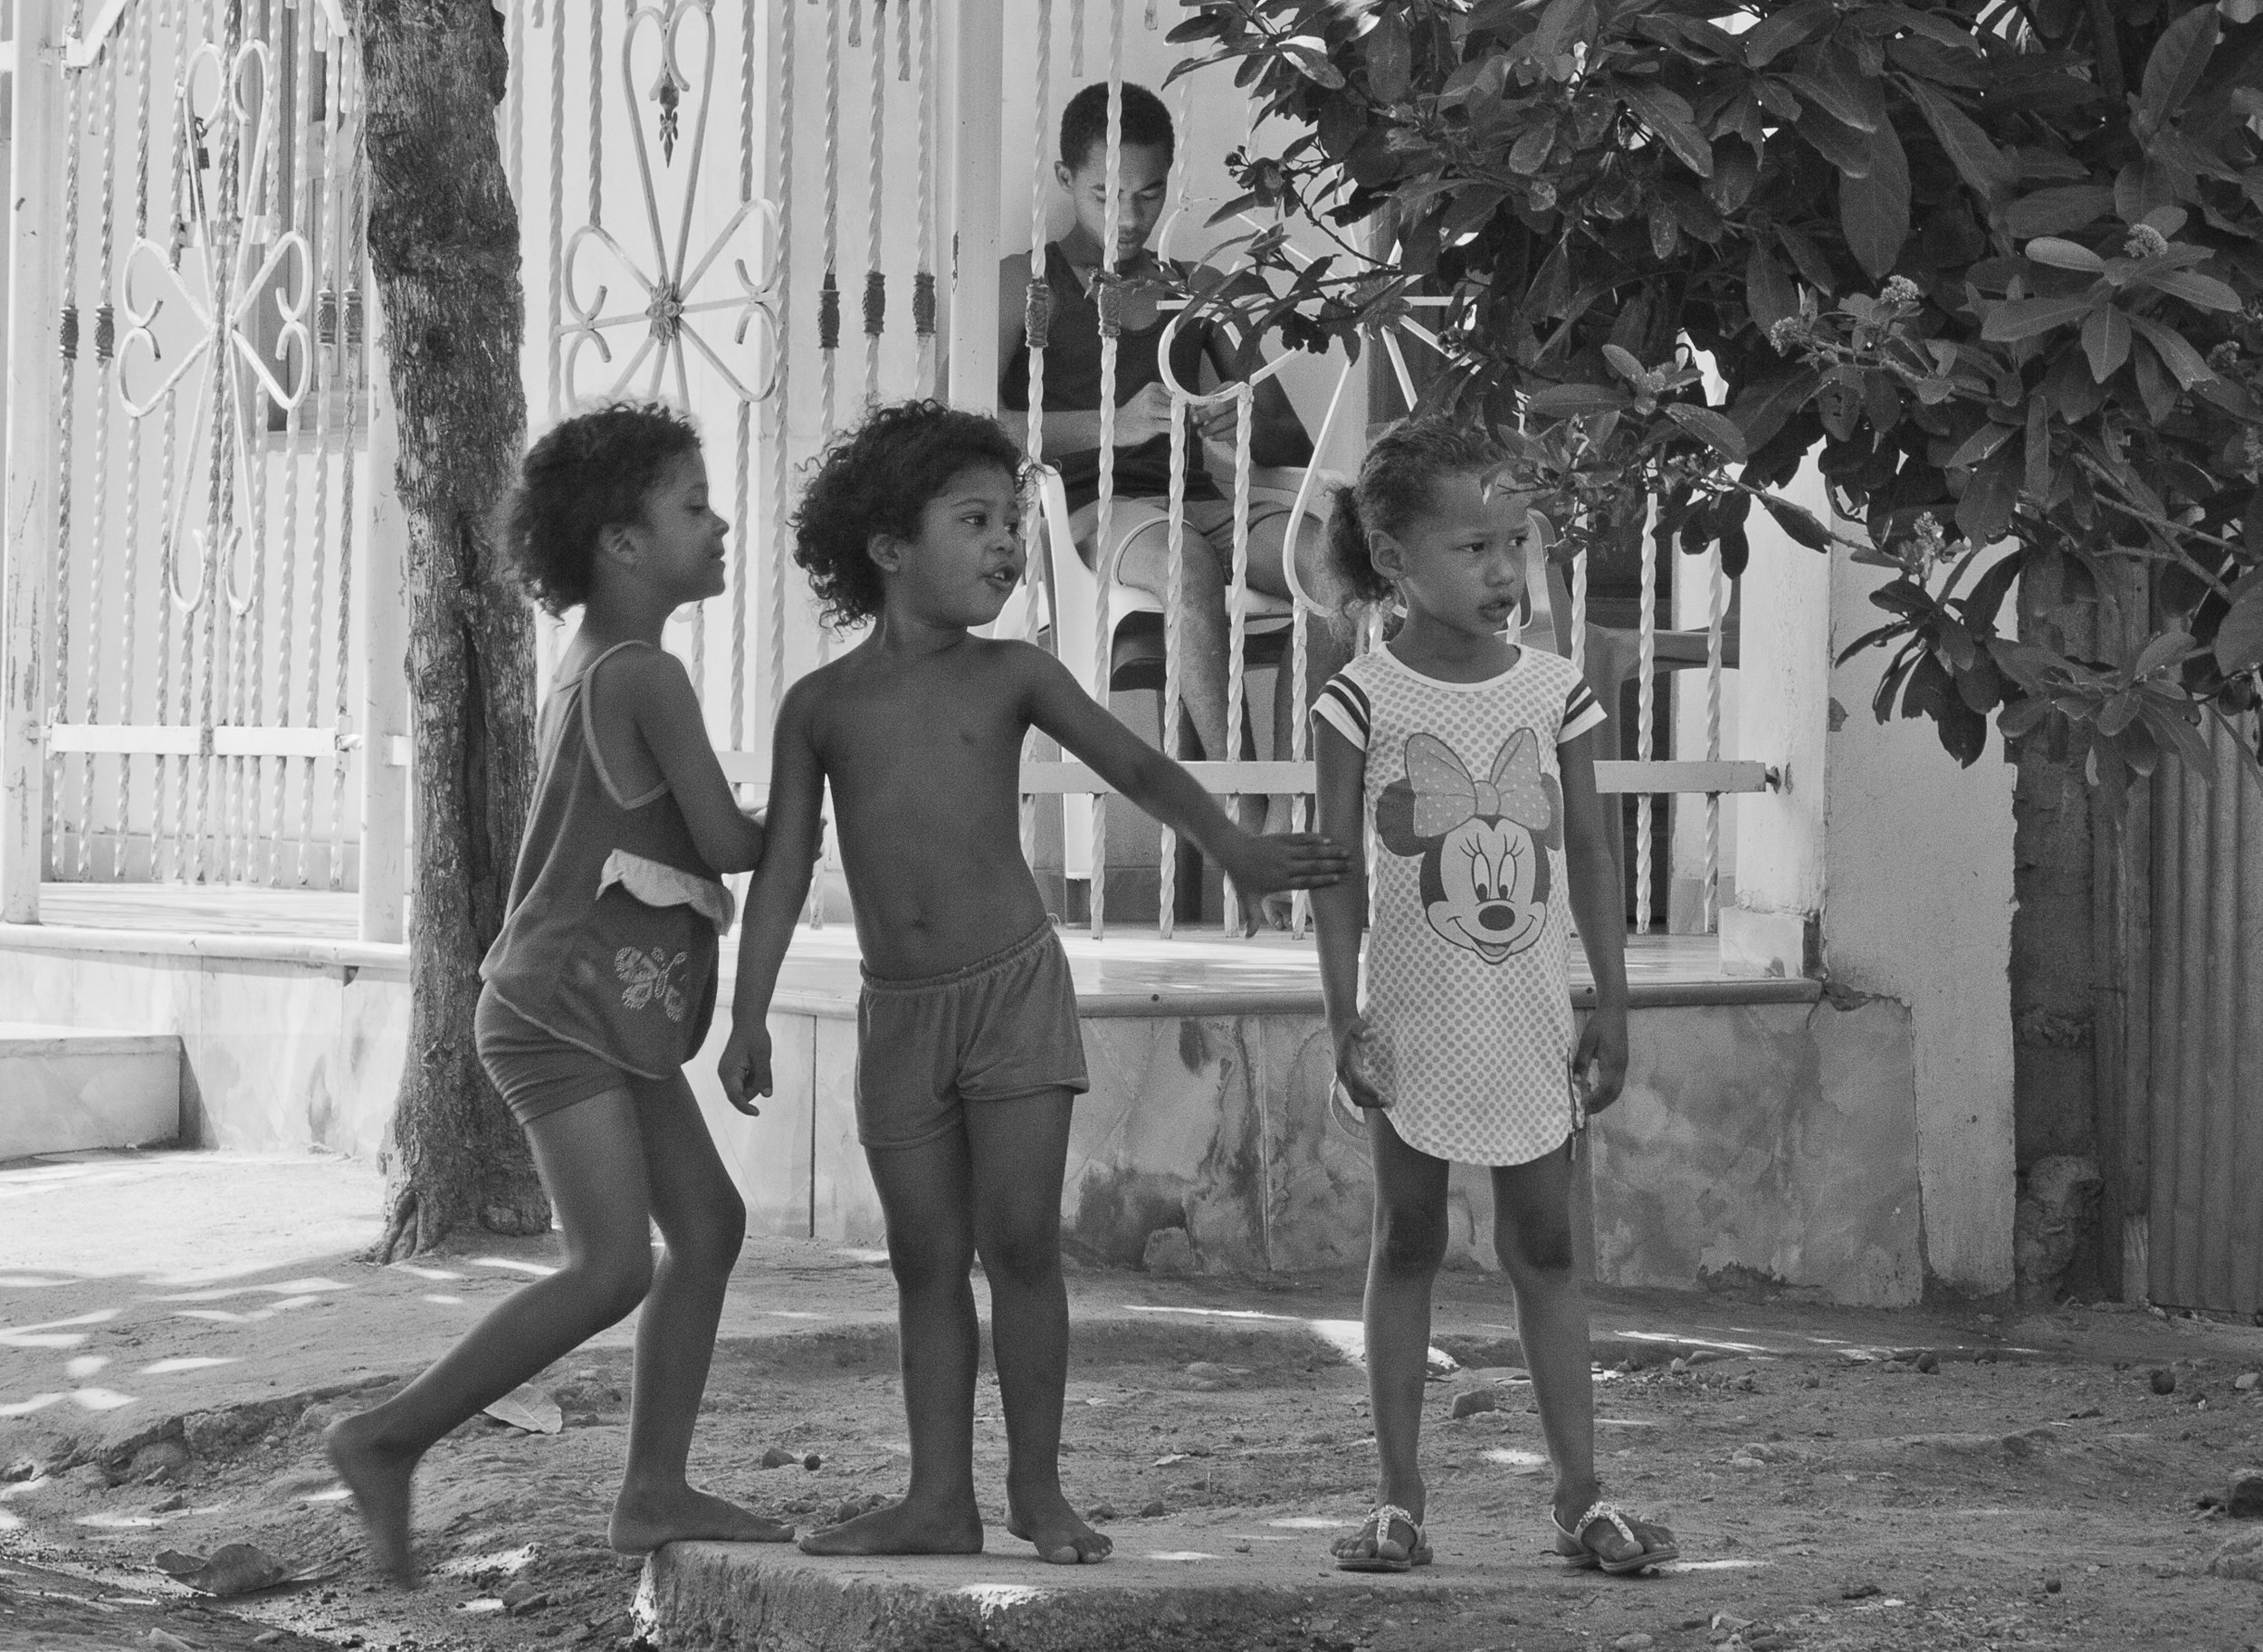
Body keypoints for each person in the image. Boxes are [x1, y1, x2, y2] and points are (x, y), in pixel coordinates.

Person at [718, 400, 1350, 1565]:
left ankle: (1037, 1491)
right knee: (922, 1263)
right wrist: (748, 1009)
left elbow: (1140, 768)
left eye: (1013, 521)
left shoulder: (1016, 673)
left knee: (1019, 1248)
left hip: (1010, 989)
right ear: (888, 547)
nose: (1010, 544)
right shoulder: (820, 707)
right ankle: (936, 1499)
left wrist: (1236, 847)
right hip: (898, 1011)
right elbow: (785, 867)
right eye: (978, 521)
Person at [326, 403, 793, 1586]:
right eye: (693, 505)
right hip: (555, 1014)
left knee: (710, 1228)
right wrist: (836, 782)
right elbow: (732, 840)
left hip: (600, 1011)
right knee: (612, 1265)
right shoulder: (641, 676)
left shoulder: (606, 665)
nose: (720, 520)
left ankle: (651, 1489)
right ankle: (386, 1439)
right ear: (623, 544)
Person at [1305, 418, 1679, 1577]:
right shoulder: (1357, 698)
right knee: (1406, 1238)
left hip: (1527, 1016)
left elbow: (1591, 852)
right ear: (1393, 553)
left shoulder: (1555, 691)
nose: (1505, 571)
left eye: (1514, 542)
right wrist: (1343, 1017)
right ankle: (1399, 1502)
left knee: (1547, 1247)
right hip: (1411, 1018)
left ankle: (1582, 1498)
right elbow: (1332, 875)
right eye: (1473, 547)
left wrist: (1609, 1004)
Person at [998, 80, 1352, 855]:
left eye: (1149, 196)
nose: (1128, 219)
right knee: (1187, 563)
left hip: (1207, 500)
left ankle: (1304, 803)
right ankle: (1240, 816)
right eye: (1105, 194)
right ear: (1065, 181)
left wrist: (1237, 418)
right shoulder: (1024, 285)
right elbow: (979, 429)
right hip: (1100, 512)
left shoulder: (1194, 289)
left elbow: (1288, 438)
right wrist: (1110, 426)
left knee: (1330, 557)